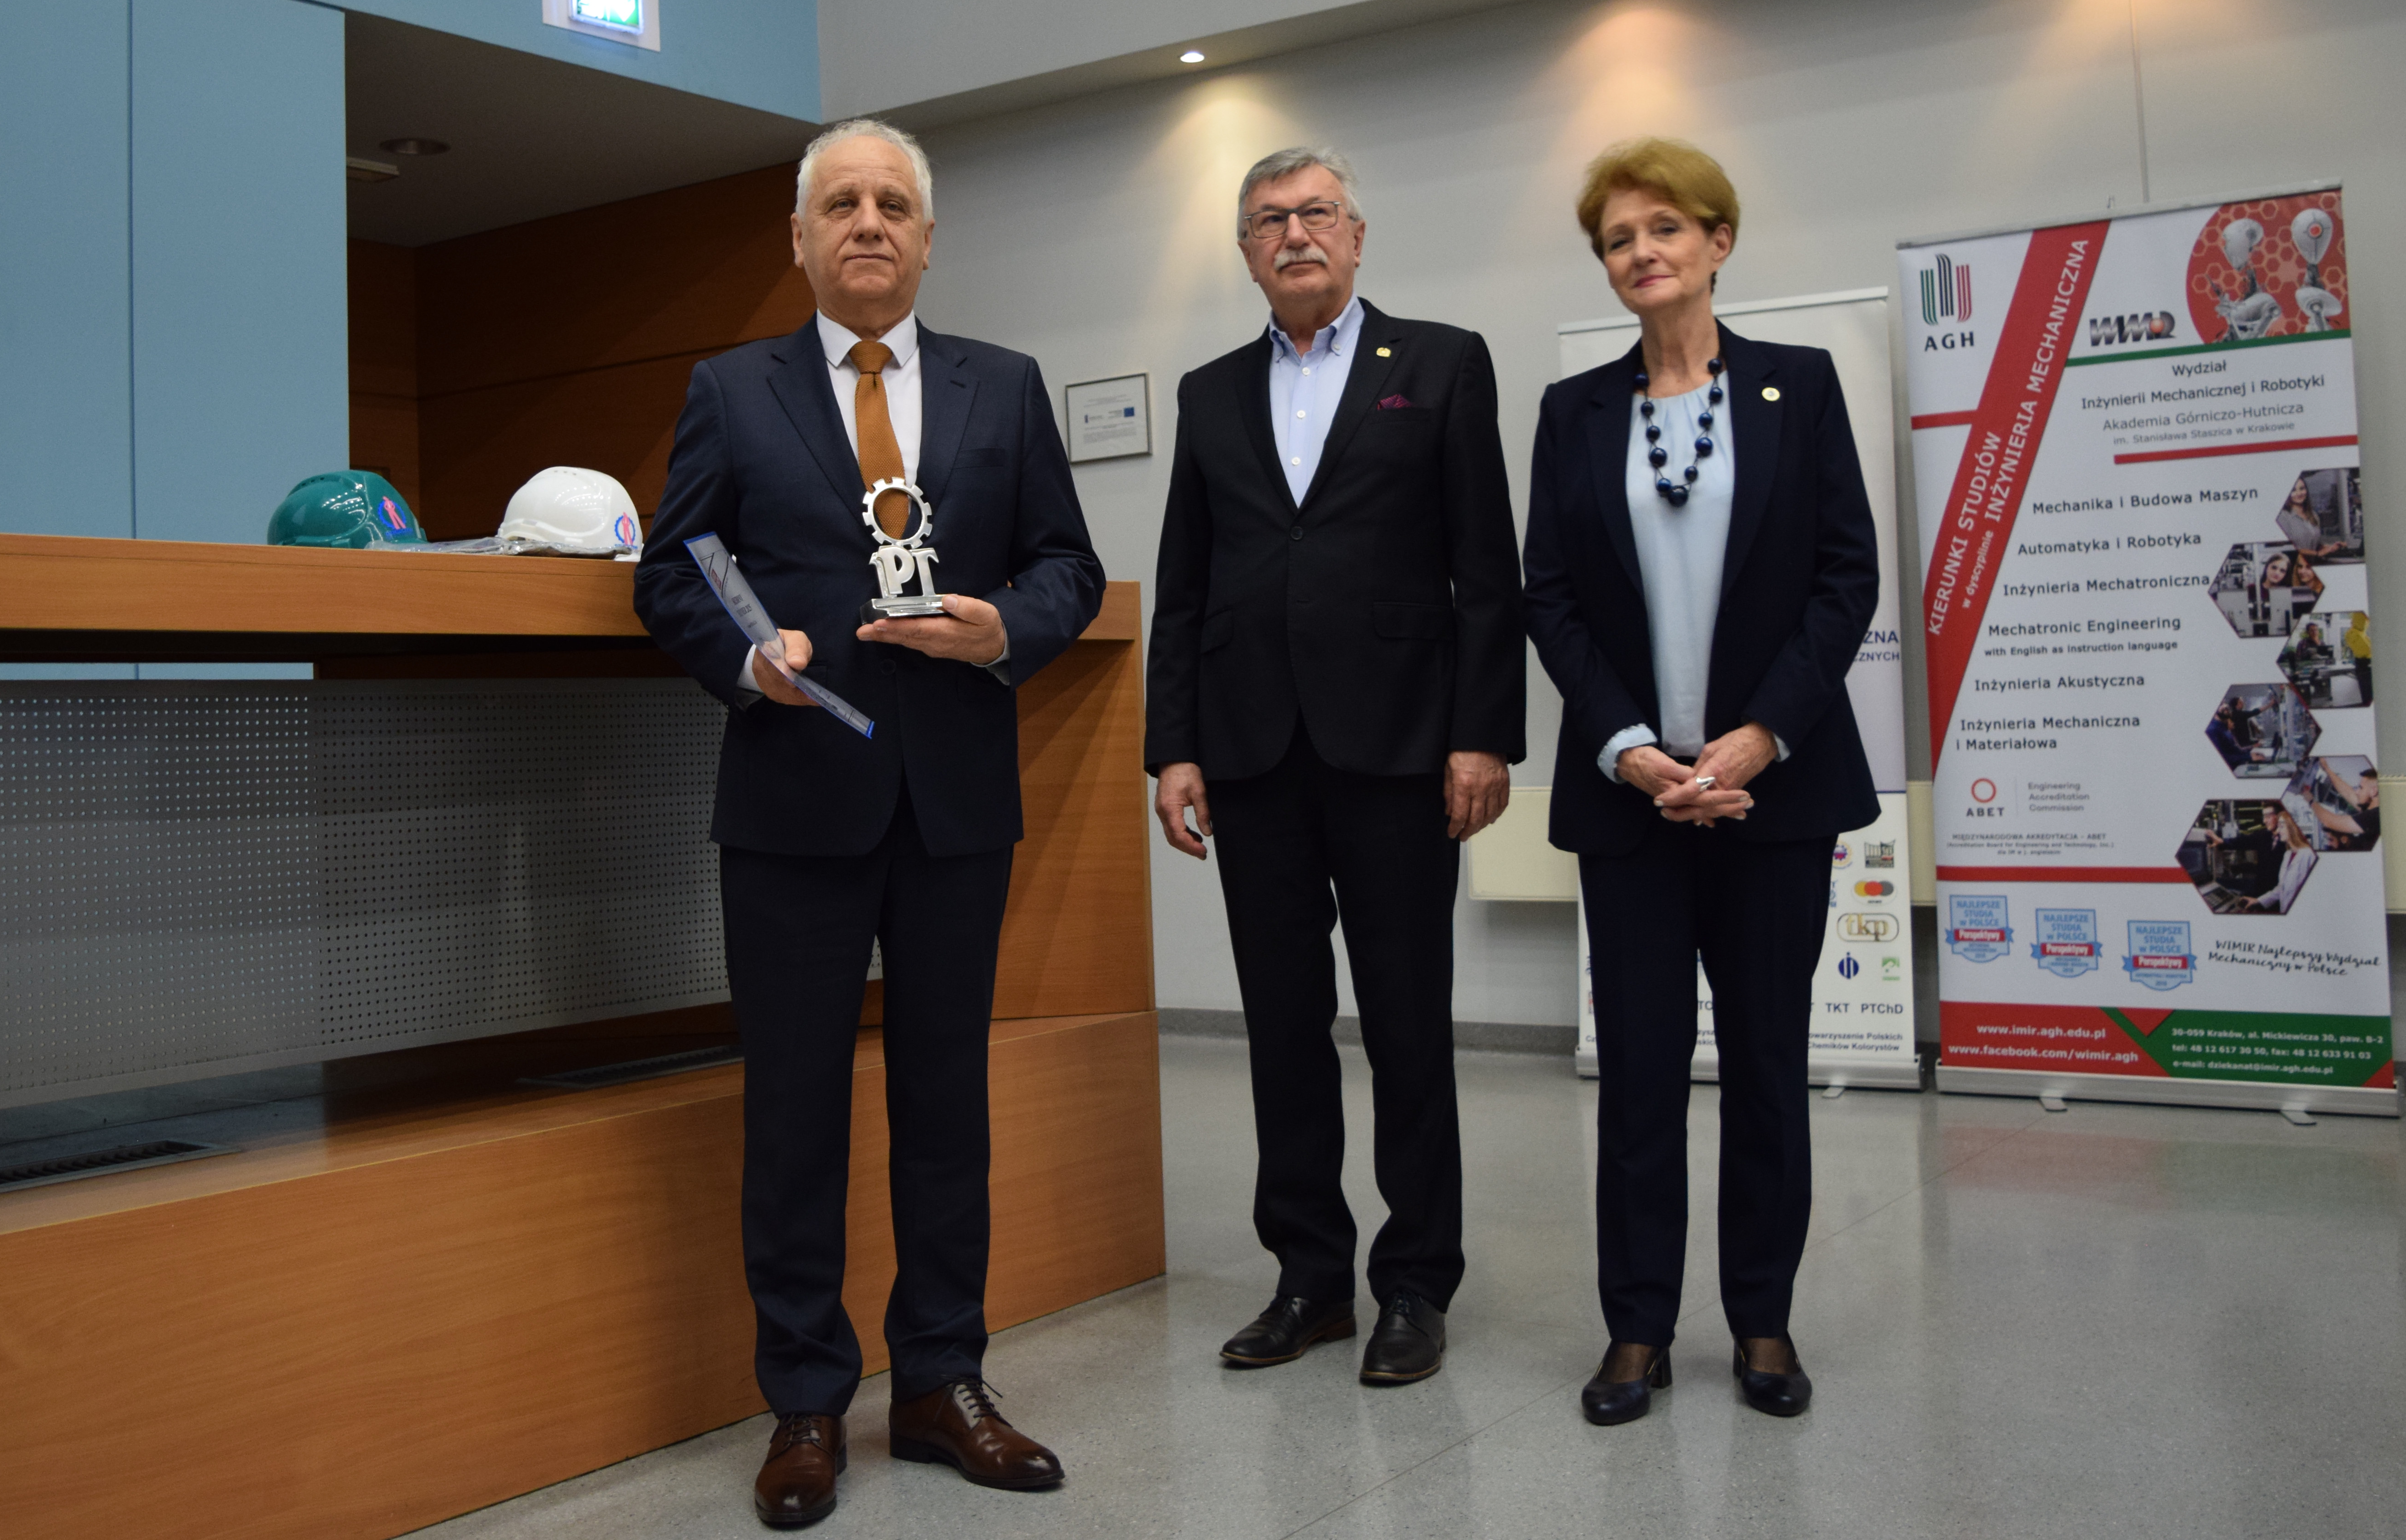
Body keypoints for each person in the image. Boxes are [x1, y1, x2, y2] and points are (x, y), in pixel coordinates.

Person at [634, 117, 1103, 1529]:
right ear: (800, 238)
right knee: (793, 1113)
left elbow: (1066, 565)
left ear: (927, 237)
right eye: (840, 202)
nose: (868, 222)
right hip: (792, 800)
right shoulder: (732, 389)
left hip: (955, 801)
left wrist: (1001, 628)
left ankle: (942, 1382)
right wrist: (746, 653)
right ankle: (804, 1401)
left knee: (944, 1105)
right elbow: (677, 568)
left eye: (892, 202)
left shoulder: (1002, 387)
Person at [1146, 145, 1526, 1388]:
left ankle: (1416, 1279)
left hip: (1402, 746)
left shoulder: (1441, 363)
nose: (1295, 234)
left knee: (1408, 1021)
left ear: (1357, 236)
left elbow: (1486, 565)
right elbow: (1187, 581)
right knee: (1281, 1027)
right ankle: (1309, 1274)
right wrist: (1174, 745)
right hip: (1252, 751)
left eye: (1316, 213)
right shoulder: (1209, 392)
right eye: (1270, 220)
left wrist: (1483, 733)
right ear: (1246, 251)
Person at [1519, 137, 1879, 1426]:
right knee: (1640, 1075)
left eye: (1665, 228)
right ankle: (1637, 1329)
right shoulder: (1574, 411)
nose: (1643, 252)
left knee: (1769, 1067)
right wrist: (1630, 747)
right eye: (1619, 238)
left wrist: (1755, 739)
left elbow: (1845, 577)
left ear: (1719, 241)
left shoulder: (1800, 384)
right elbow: (1549, 597)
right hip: (1632, 804)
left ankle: (1763, 1321)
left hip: (1771, 796)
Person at [2253, 806, 2317, 912]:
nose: (2278, 831)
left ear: (2293, 828)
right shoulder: (2288, 855)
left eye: (2282, 827)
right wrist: (2259, 901)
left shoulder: (2309, 855)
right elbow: (2281, 888)